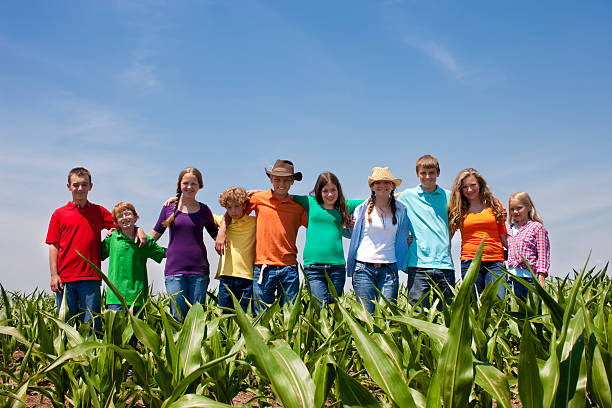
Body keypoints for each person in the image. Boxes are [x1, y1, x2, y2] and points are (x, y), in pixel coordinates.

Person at [46, 167, 146, 334]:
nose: (80, 189)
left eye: (84, 185)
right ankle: (67, 359)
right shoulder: (59, 214)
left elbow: (123, 225)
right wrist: (54, 275)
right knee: (66, 327)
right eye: (76, 185)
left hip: (90, 278)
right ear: (68, 186)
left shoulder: (98, 211)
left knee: (92, 325)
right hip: (65, 279)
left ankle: (89, 361)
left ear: (90, 187)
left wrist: (138, 229)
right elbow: (53, 245)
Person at [215, 160, 307, 314]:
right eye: (277, 179)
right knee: (262, 316)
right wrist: (222, 230)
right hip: (263, 267)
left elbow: (316, 224)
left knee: (289, 315)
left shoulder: (298, 207)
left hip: (289, 268)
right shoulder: (258, 199)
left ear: (292, 181)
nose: (281, 184)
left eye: (286, 180)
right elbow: (234, 207)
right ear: (271, 180)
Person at [151, 167, 218, 321]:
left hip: (199, 272)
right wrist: (136, 235)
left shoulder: (204, 210)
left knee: (197, 320)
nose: (189, 187)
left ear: (199, 185)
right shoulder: (169, 208)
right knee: (177, 318)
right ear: (180, 185)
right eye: (185, 183)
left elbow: (217, 235)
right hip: (174, 272)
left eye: (193, 183)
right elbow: (154, 235)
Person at [346, 167, 411, 314]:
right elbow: (349, 229)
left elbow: (405, 232)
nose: (382, 186)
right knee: (366, 318)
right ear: (372, 186)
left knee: (387, 317)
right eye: (378, 183)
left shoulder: (401, 210)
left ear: (392, 186)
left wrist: (409, 239)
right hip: (363, 269)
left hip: (389, 270)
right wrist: (347, 224)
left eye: (386, 182)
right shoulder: (361, 209)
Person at [292, 172, 363, 305]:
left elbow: (372, 201)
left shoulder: (344, 206)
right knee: (320, 309)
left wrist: (398, 196)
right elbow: (284, 197)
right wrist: (256, 193)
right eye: (325, 191)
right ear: (319, 191)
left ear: (338, 190)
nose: (330, 194)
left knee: (334, 309)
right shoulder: (310, 202)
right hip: (313, 267)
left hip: (337, 267)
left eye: (333, 190)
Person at [101, 201, 166, 346]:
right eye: (120, 216)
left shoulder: (145, 241)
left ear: (136, 217)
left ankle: (131, 369)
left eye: (128, 214)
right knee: (116, 340)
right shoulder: (112, 238)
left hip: (137, 298)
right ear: (116, 222)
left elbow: (163, 253)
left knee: (134, 340)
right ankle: (120, 369)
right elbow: (97, 254)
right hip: (115, 298)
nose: (124, 218)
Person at [397, 155, 454, 309]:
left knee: (446, 316)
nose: (427, 177)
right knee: (417, 314)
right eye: (423, 173)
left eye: (431, 172)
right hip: (418, 265)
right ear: (417, 174)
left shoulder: (449, 196)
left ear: (438, 173)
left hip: (444, 264)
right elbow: (383, 200)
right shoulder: (407, 196)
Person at [448, 168, 507, 298]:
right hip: (470, 262)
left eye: (473, 185)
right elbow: (447, 236)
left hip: (495, 261)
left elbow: (503, 234)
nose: (469, 190)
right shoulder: (458, 209)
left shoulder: (495, 204)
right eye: (465, 187)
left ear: (480, 184)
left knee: (498, 301)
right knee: (473, 305)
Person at [214, 187, 256, 313]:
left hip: (247, 278)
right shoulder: (223, 221)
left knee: (246, 319)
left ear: (244, 205)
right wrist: (176, 201)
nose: (233, 211)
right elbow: (201, 213)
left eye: (237, 206)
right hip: (226, 277)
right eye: (229, 207)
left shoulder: (254, 222)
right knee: (225, 321)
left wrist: (256, 192)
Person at [506, 192, 550, 300]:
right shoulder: (510, 230)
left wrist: (541, 277)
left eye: (519, 208)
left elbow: (543, 254)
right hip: (512, 279)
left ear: (529, 207)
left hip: (530, 279)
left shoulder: (537, 227)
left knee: (533, 313)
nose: (515, 212)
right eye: (512, 209)